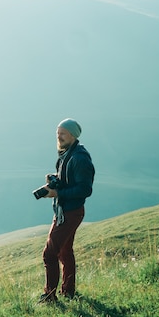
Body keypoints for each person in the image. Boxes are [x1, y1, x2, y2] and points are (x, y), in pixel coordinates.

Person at [37, 118, 95, 303]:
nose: (59, 136)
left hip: (69, 213)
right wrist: (56, 178)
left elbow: (85, 189)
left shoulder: (79, 158)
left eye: (63, 133)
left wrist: (56, 192)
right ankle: (68, 292)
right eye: (57, 133)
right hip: (67, 211)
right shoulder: (68, 153)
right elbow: (72, 181)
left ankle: (49, 296)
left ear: (73, 135)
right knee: (64, 252)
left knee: (49, 254)